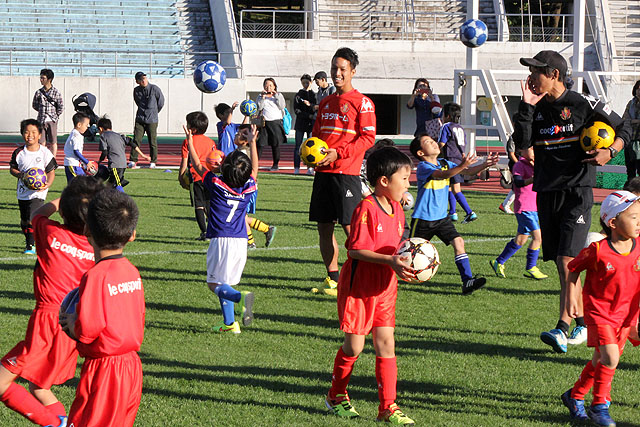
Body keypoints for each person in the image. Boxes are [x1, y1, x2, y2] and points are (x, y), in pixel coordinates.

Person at [513, 50, 631, 353]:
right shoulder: (535, 109)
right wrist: (526, 106)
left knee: (568, 262)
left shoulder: (582, 104)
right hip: (547, 193)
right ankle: (581, 323)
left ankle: (562, 328)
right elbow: (523, 145)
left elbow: (625, 127)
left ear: (554, 74)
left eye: (537, 71)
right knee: (561, 265)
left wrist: (611, 151)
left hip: (577, 192)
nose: (531, 77)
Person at [0, 176, 102, 427]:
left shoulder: (51, 232)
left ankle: (57, 425)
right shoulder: (96, 248)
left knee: (1, 383)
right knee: (39, 386)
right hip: (72, 324)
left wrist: (62, 199)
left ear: (66, 211)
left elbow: (39, 212)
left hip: (47, 321)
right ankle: (64, 422)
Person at [325, 146, 415, 425]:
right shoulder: (367, 208)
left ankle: (388, 407)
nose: (408, 183)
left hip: (385, 288)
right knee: (354, 347)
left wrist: (407, 262)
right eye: (404, 178)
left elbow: (397, 248)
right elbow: (355, 251)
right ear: (384, 181)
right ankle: (336, 396)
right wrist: (390, 260)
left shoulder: (398, 210)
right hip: (360, 287)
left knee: (387, 345)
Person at [60, 189, 145, 427]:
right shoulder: (132, 271)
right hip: (131, 367)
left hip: (105, 369)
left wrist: (71, 323)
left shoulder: (95, 276)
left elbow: (88, 329)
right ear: (132, 235)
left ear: (87, 230)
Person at [561, 191, 640, 426]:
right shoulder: (598, 250)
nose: (639, 222)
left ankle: (574, 396)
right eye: (634, 217)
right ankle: (599, 406)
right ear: (613, 223)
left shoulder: (638, 245)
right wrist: (571, 300)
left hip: (627, 315)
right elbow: (573, 268)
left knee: (600, 360)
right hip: (600, 312)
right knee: (610, 358)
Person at [309, 47, 376, 296]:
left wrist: (340, 154)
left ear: (352, 72)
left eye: (342, 69)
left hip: (346, 174)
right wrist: (310, 155)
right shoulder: (325, 102)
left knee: (351, 229)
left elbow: (368, 138)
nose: (337, 73)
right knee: (324, 227)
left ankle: (365, 273)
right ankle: (333, 278)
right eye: (334, 68)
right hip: (323, 175)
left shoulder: (363, 103)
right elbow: (316, 136)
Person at [183, 123, 258, 333]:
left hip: (221, 239)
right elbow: (254, 169)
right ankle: (229, 324)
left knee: (214, 284)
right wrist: (252, 143)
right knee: (224, 281)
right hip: (241, 241)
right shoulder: (249, 186)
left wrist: (189, 142)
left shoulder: (216, 184)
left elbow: (198, 167)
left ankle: (240, 297)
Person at [409, 133, 498, 294]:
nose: (434, 142)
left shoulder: (445, 162)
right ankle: (391, 275)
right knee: (410, 254)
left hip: (442, 219)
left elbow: (467, 172)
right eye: (428, 142)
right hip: (423, 220)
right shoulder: (423, 167)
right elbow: (444, 175)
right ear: (421, 153)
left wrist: (485, 164)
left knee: (459, 242)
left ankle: (467, 281)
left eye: (432, 140)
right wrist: (462, 166)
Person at [489, 146, 549, 280]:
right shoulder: (519, 165)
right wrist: (532, 179)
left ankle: (498, 262)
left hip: (533, 208)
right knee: (538, 238)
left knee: (520, 240)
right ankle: (531, 268)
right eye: (531, 149)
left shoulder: (537, 164)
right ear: (522, 151)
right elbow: (518, 182)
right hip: (524, 208)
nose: (534, 151)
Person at [9, 119, 57, 254]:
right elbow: (12, 169)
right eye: (26, 132)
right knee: (24, 220)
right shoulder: (19, 153)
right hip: (23, 192)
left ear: (40, 135)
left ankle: (30, 246)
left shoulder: (45, 153)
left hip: (38, 192)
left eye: (34, 132)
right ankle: (30, 240)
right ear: (22, 134)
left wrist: (49, 183)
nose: (30, 135)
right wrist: (21, 175)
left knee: (31, 217)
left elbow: (51, 171)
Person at [233, 124, 277, 249]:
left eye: (240, 134)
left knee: (241, 216)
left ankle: (250, 242)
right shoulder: (238, 151)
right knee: (241, 216)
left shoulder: (243, 153)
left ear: (247, 139)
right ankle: (267, 229)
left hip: (245, 189)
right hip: (243, 188)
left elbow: (247, 171)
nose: (236, 135)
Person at [179, 111, 217, 241]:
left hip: (195, 177)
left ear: (192, 129)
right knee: (209, 204)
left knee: (199, 205)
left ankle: (205, 233)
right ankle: (214, 231)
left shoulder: (187, 141)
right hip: (209, 176)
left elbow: (185, 161)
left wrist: (180, 177)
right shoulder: (211, 142)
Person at [438, 102, 477, 223]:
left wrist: (434, 154)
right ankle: (452, 213)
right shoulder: (460, 128)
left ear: (447, 116)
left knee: (455, 189)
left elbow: (441, 144)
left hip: (449, 159)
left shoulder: (446, 126)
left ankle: (470, 212)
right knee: (451, 187)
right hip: (459, 159)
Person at [97, 116, 150, 192]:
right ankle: (103, 198)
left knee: (118, 184)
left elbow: (104, 152)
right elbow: (132, 143)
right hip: (123, 164)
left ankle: (124, 200)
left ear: (101, 128)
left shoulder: (103, 136)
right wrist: (143, 155)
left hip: (115, 165)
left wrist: (98, 162)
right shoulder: (119, 135)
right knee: (109, 185)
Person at [129, 71, 164, 169]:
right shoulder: (136, 90)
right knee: (136, 140)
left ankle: (153, 161)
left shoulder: (155, 89)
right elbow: (138, 102)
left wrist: (154, 112)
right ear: (137, 81)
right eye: (141, 79)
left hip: (152, 120)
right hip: (140, 118)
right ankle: (133, 160)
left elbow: (161, 102)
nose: (143, 80)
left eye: (144, 78)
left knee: (152, 141)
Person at [32, 68, 63, 158]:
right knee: (41, 142)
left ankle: (52, 160)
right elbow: (34, 105)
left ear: (49, 79)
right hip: (41, 119)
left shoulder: (56, 92)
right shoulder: (38, 92)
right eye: (40, 78)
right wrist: (42, 111)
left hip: (52, 120)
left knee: (53, 142)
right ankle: (42, 158)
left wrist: (55, 115)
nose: (41, 80)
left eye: (43, 78)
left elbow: (60, 106)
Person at [256, 77, 286, 171]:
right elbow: (259, 108)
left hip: (275, 122)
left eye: (270, 85)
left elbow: (282, 106)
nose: (268, 87)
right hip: (264, 122)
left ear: (274, 86)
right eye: (266, 85)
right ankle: (255, 163)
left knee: (275, 144)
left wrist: (276, 95)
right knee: (260, 144)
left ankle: (275, 164)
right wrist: (262, 98)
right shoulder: (260, 96)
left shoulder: (279, 95)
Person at [293, 74, 317, 174]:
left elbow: (316, 107)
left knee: (311, 146)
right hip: (300, 123)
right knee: (298, 145)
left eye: (307, 82)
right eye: (303, 83)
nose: (306, 84)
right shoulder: (298, 95)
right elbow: (296, 110)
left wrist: (312, 111)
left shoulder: (314, 95)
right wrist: (308, 116)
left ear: (311, 82)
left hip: (311, 124)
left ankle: (310, 168)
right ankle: (296, 168)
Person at [63, 112, 91, 184]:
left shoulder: (75, 133)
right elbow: (76, 151)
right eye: (86, 125)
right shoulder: (76, 136)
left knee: (74, 186)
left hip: (73, 164)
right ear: (79, 124)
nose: (87, 127)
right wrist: (86, 162)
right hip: (73, 164)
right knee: (81, 184)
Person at [622, 79, 640, 184]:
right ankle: (630, 192)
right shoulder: (631, 103)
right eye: (637, 88)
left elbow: (630, 120)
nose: (639, 91)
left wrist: (633, 121)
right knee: (630, 170)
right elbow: (625, 119)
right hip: (630, 140)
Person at [499, 135, 518, 214]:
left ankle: (505, 204)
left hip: (523, 162)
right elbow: (511, 153)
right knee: (517, 185)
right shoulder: (513, 138)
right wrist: (519, 164)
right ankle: (505, 204)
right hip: (516, 163)